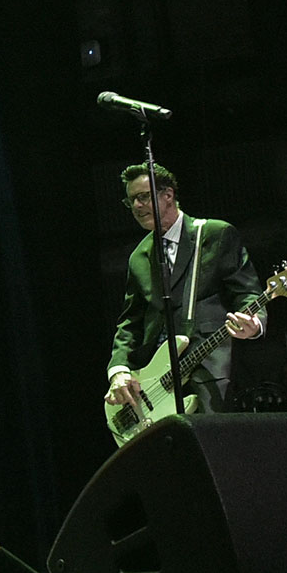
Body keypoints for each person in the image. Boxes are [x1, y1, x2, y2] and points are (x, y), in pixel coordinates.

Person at [104, 163, 265, 422]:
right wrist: (119, 369)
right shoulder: (138, 257)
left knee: (213, 444)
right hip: (156, 382)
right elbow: (130, 322)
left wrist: (254, 324)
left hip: (209, 366)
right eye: (131, 200)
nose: (136, 206)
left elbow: (247, 292)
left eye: (143, 197)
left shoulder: (215, 234)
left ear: (168, 195)